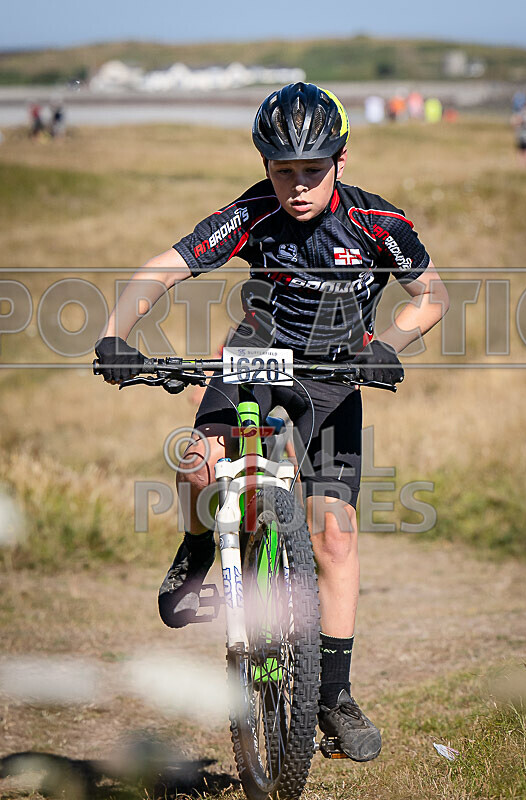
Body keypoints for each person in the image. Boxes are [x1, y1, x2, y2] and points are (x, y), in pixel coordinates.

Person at [95, 83, 450, 762]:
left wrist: (387, 347)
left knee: (336, 538)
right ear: (265, 167)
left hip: (336, 379)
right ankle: (199, 548)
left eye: (312, 170)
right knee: (198, 461)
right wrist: (115, 334)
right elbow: (162, 269)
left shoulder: (379, 223)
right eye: (282, 170)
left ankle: (333, 697)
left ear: (341, 161)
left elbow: (431, 295)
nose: (297, 185)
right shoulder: (252, 215)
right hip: (255, 363)